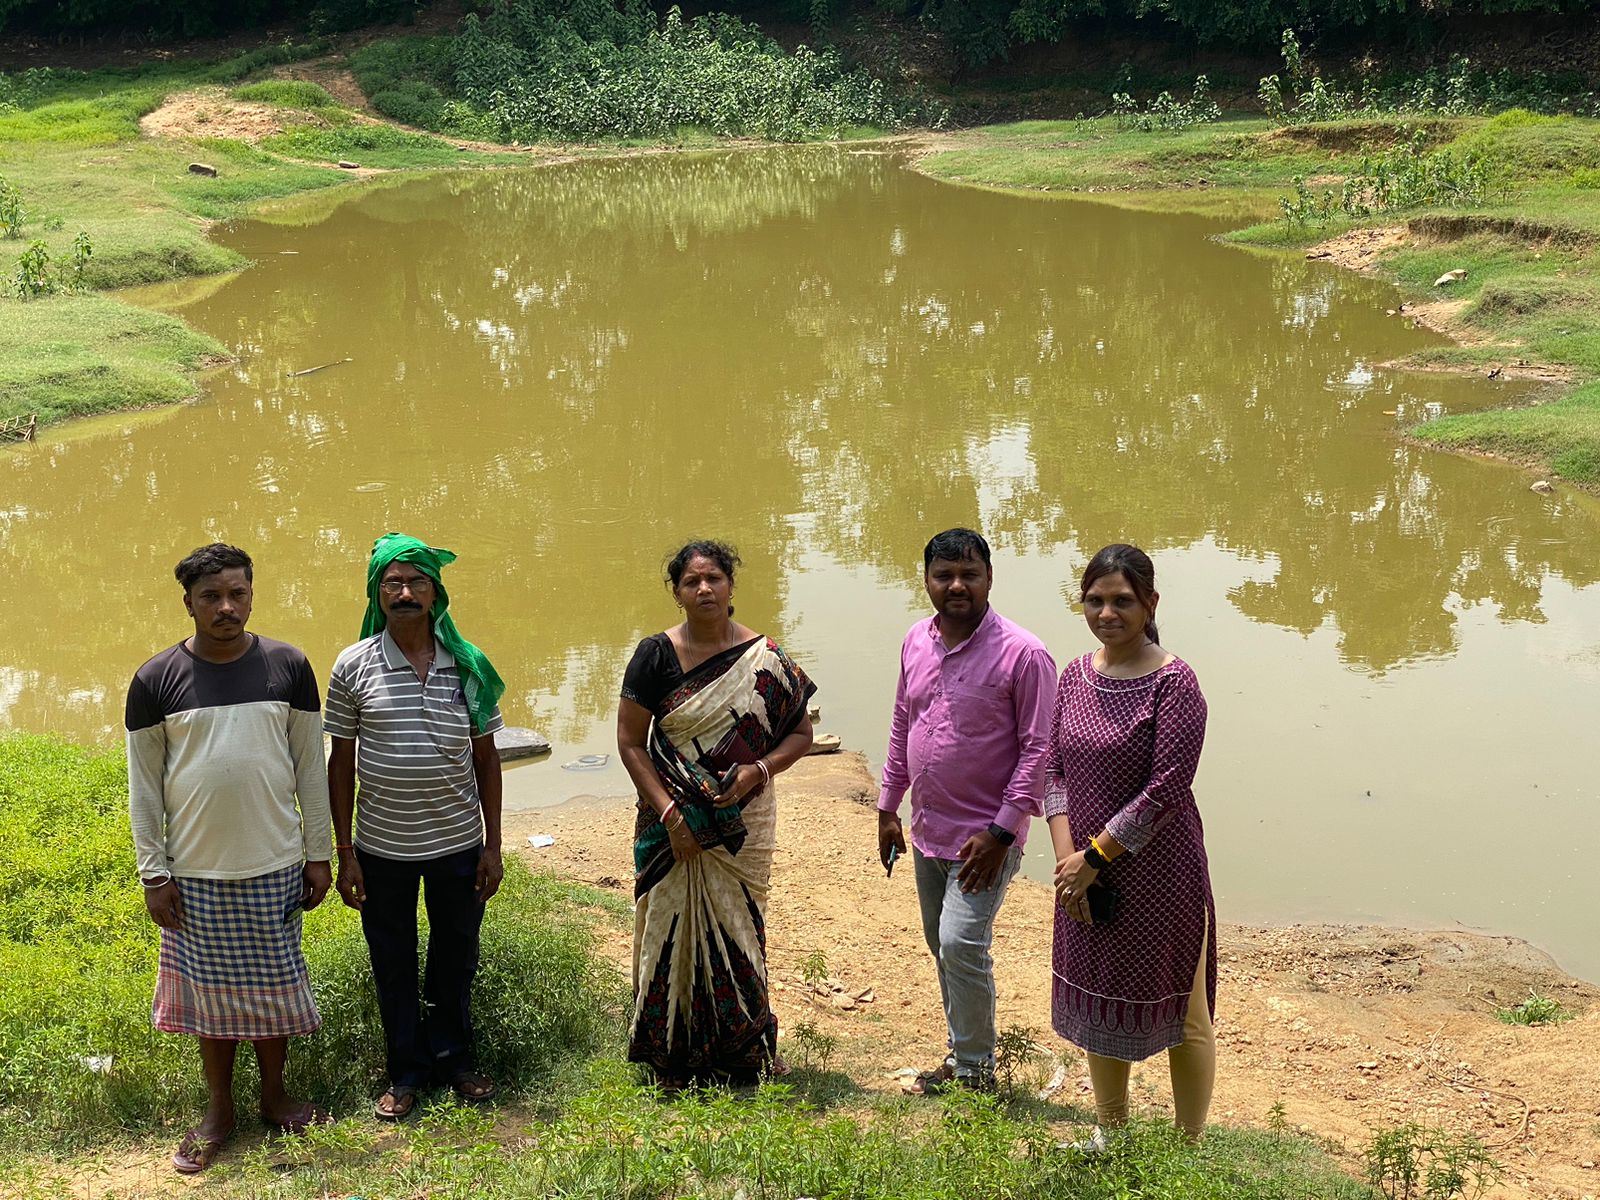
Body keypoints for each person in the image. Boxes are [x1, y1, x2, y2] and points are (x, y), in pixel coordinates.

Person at [125, 543, 332, 1174]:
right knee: (210, 1001)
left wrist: (319, 854)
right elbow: (144, 785)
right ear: (187, 602)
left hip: (275, 862)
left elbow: (309, 770)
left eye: (237, 593)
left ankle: (274, 1097)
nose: (225, 607)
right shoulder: (155, 679)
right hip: (194, 873)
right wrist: (154, 873)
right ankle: (219, 1110)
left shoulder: (288, 666)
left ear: (251, 595)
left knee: (272, 991)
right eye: (211, 596)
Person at [617, 540, 816, 1087]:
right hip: (668, 819)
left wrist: (760, 770)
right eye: (691, 582)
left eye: (714, 579)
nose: (704, 589)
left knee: (740, 928)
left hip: (742, 826)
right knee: (668, 925)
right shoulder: (654, 656)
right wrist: (672, 817)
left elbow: (801, 734)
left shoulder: (766, 659)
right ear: (677, 593)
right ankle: (671, 1057)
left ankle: (743, 1054)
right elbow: (630, 742)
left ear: (731, 585)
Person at [325, 532, 506, 1121]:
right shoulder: (353, 665)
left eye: (417, 582)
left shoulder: (468, 664)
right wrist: (344, 850)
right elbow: (341, 761)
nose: (405, 593)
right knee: (393, 960)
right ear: (376, 595)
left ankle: (454, 1059)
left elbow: (486, 758)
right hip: (380, 847)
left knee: (456, 955)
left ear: (436, 593)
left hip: (458, 843)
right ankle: (405, 1071)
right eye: (393, 583)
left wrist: (494, 844)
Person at [1047, 543, 1216, 1148]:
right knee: (1099, 1000)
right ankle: (1110, 1133)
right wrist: (1070, 863)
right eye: (1094, 600)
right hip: (1082, 871)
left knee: (1184, 1009)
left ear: (1150, 603)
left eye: (1122, 600)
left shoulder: (1174, 683)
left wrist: (1094, 858)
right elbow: (1054, 771)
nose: (1106, 613)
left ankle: (1188, 1145)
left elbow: (1166, 789)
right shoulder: (1074, 675)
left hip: (1160, 872)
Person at [877, 528, 1057, 1093]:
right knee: (941, 943)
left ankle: (977, 1073)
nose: (957, 585)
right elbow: (904, 722)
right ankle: (961, 1055)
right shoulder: (915, 640)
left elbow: (1040, 748)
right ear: (926, 580)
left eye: (969, 574)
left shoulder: (1024, 654)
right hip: (928, 827)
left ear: (988, 578)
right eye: (944, 575)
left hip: (986, 837)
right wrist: (888, 805)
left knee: (961, 943)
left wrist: (1003, 831)